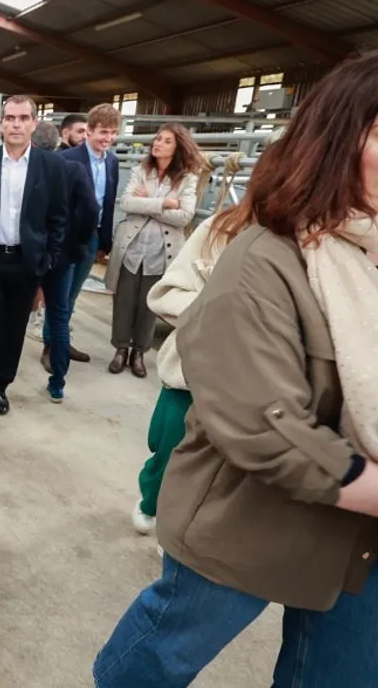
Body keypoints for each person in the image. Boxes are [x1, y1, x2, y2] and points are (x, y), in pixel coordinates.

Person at [94, 52, 378, 688]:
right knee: (161, 656)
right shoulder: (265, 254)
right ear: (335, 142)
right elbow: (264, 427)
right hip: (249, 515)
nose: (159, 147)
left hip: (358, 537)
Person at [130, 199, 253, 536]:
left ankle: (177, 528)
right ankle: (152, 501)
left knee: (222, 472)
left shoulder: (322, 247)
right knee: (168, 445)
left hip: (255, 388)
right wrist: (223, 313)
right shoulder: (221, 228)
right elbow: (166, 294)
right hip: (194, 373)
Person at [0, 95, 68, 434]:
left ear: (35, 123)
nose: (16, 124)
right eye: (9, 118)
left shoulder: (51, 167)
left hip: (25, 262)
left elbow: (58, 217)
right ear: (1, 124)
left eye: (23, 118)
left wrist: (47, 258)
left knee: (12, 333)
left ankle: (0, 387)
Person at [104, 124, 199, 378]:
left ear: (178, 147)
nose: (158, 144)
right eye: (157, 139)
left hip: (161, 252)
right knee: (124, 301)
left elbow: (185, 216)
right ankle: (121, 349)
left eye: (166, 141)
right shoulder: (140, 171)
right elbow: (126, 203)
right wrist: (165, 203)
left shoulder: (188, 179)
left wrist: (145, 203)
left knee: (149, 305)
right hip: (132, 249)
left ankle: (139, 353)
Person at [31, 121, 99, 403]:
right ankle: (57, 382)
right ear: (59, 140)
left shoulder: (29, 169)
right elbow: (91, 209)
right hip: (62, 255)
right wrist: (79, 244)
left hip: (28, 255)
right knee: (60, 317)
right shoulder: (73, 168)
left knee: (10, 317)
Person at [54, 104, 120, 365]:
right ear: (89, 131)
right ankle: (53, 347)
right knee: (60, 295)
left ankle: (61, 341)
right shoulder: (67, 160)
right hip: (67, 237)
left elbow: (110, 201)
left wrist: (105, 242)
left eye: (113, 133)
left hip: (92, 237)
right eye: (103, 132)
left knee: (73, 294)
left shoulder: (112, 162)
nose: (108, 139)